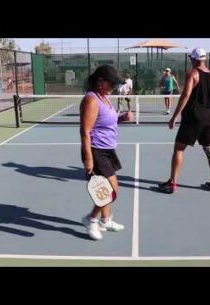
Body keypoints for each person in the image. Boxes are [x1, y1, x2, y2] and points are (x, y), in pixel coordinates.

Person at [158, 47, 210, 194]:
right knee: (209, 149)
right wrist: (208, 107)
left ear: (194, 59)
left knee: (179, 148)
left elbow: (185, 96)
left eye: (191, 58)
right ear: (204, 59)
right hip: (208, 118)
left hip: (193, 118)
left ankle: (172, 183)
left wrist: (174, 117)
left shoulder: (193, 74)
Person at [80, 65, 134, 240]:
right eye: (111, 84)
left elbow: (106, 121)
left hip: (108, 149)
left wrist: (121, 118)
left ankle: (105, 220)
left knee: (106, 189)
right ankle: (91, 218)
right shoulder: (91, 100)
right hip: (96, 151)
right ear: (100, 81)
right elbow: (85, 131)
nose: (113, 87)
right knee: (110, 189)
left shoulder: (105, 98)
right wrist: (88, 158)